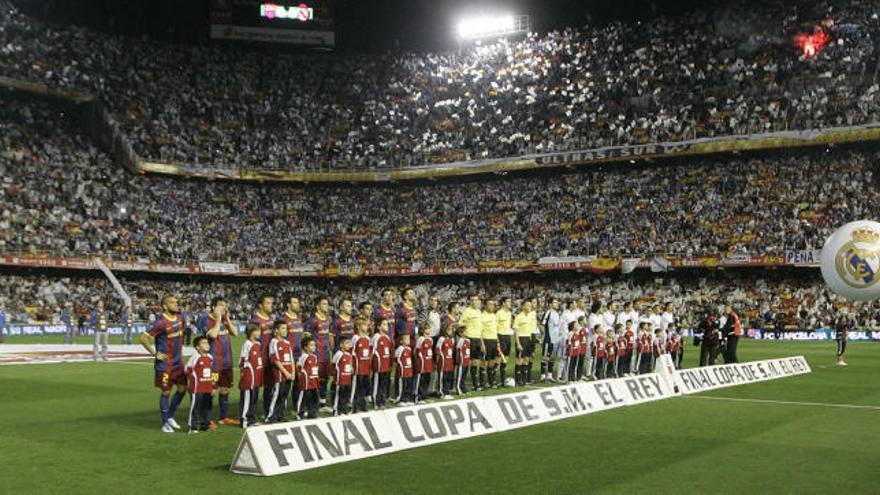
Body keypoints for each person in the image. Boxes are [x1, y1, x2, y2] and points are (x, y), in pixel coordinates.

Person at [139, 295, 187, 433]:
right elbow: (143, 338)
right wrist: (155, 353)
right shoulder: (160, 322)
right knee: (166, 392)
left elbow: (180, 336)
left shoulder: (180, 318)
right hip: (165, 364)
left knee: (183, 389)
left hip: (178, 362)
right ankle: (165, 422)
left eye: (176, 302)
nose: (176, 304)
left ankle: (170, 415)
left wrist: (180, 350)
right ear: (165, 306)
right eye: (172, 302)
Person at [202, 296, 239, 425]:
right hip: (214, 363)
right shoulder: (206, 319)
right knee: (211, 391)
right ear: (213, 307)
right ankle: (206, 419)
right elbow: (212, 335)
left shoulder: (225, 320)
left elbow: (235, 333)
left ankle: (223, 418)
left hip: (227, 361)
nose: (224, 307)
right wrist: (218, 319)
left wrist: (227, 319)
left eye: (225, 305)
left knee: (225, 390)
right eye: (221, 305)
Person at [305, 296, 333, 413]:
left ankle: (322, 404)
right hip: (316, 355)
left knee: (324, 380)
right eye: (324, 304)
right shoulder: (313, 320)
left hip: (326, 355)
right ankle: (309, 405)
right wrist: (309, 353)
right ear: (318, 306)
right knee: (312, 381)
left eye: (327, 304)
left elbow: (330, 337)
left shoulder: (328, 319)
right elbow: (306, 336)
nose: (327, 306)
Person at [250, 295, 275, 419]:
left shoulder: (271, 319)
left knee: (269, 389)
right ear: (261, 305)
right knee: (255, 389)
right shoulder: (256, 320)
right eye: (268, 303)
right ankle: (251, 416)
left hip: (270, 359)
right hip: (259, 359)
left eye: (271, 303)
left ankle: (268, 414)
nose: (270, 305)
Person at [185, 336, 214, 434]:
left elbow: (211, 372)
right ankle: (192, 427)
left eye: (207, 343)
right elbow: (187, 369)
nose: (207, 345)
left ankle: (205, 425)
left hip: (207, 387)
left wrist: (213, 386)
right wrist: (191, 381)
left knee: (207, 407)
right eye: (203, 343)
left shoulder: (210, 357)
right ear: (197, 347)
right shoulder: (195, 357)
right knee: (195, 408)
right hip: (197, 388)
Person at [267, 320, 294, 423]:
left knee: (284, 395)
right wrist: (285, 372)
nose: (285, 331)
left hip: (289, 375)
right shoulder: (274, 342)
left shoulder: (287, 343)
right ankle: (271, 416)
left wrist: (293, 373)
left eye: (286, 328)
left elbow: (291, 360)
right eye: (282, 328)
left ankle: (281, 415)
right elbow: (275, 359)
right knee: (277, 394)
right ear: (276, 330)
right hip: (280, 375)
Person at [238, 323, 264, 428]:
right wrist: (245, 373)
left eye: (259, 330)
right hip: (249, 377)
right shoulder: (247, 344)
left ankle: (252, 419)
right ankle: (245, 421)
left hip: (257, 377)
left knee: (254, 399)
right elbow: (242, 360)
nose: (259, 333)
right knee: (247, 399)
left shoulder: (258, 344)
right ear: (250, 332)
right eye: (257, 331)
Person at [460, 294, 483, 391]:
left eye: (476, 300)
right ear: (469, 301)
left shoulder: (479, 311)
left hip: (478, 339)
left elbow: (480, 329)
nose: (474, 302)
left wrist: (482, 342)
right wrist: (464, 336)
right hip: (470, 339)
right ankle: (462, 384)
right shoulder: (466, 311)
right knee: (466, 363)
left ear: (479, 301)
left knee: (475, 362)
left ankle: (475, 385)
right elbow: (461, 324)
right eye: (472, 300)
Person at [370, 317, 393, 409]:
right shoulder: (376, 337)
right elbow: (372, 351)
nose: (386, 326)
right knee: (377, 384)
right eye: (384, 324)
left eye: (387, 324)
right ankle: (376, 403)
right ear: (379, 327)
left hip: (386, 366)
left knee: (384, 384)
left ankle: (383, 401)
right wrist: (371, 366)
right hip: (378, 367)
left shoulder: (387, 337)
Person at [350, 317, 372, 413]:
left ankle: (362, 404)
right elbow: (351, 353)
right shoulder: (355, 338)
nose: (367, 327)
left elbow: (370, 353)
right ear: (358, 327)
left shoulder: (367, 338)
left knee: (364, 387)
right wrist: (351, 365)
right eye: (365, 325)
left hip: (366, 368)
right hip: (357, 368)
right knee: (356, 387)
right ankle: (354, 405)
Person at [296, 336, 319, 420]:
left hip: (314, 382)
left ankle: (312, 413)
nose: (314, 347)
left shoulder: (315, 357)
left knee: (313, 398)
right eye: (311, 345)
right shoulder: (303, 357)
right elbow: (299, 367)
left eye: (314, 345)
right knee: (303, 398)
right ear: (306, 347)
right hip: (306, 383)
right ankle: (300, 414)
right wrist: (302, 377)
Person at [513, 299, 536, 386]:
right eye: (527, 305)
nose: (529, 307)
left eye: (530, 306)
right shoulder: (518, 317)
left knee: (526, 359)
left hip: (528, 340)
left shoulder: (530, 317)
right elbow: (515, 331)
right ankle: (518, 380)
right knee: (520, 360)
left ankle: (524, 379)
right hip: (521, 339)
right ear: (523, 306)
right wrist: (518, 343)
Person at [332, 336, 354, 415]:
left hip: (347, 379)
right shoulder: (338, 354)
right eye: (347, 343)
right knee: (339, 394)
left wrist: (351, 368)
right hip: (340, 379)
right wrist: (335, 375)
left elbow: (350, 364)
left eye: (349, 343)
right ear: (341, 345)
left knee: (345, 395)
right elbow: (334, 364)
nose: (349, 345)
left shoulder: (349, 355)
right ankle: (336, 410)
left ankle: (344, 409)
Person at [541, 298, 562, 382]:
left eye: (557, 302)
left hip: (555, 339)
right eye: (555, 302)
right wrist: (544, 336)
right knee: (545, 357)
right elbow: (542, 325)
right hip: (548, 339)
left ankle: (549, 375)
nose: (557, 304)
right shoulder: (547, 313)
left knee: (552, 357)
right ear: (550, 304)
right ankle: (542, 376)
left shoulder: (557, 314)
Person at [481, 299, 499, 389]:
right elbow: (479, 331)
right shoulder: (482, 316)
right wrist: (482, 343)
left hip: (494, 341)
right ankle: (481, 383)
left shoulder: (494, 316)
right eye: (490, 304)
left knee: (492, 362)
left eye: (493, 304)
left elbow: (495, 330)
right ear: (485, 306)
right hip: (486, 340)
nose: (492, 306)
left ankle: (491, 382)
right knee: (484, 363)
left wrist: (498, 342)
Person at [496, 297, 514, 386]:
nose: (510, 303)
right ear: (503, 303)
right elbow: (495, 327)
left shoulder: (509, 313)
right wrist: (497, 339)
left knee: (505, 359)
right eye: (508, 301)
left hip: (507, 337)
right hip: (500, 336)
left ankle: (502, 380)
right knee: (499, 359)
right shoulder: (498, 313)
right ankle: (493, 380)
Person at [414, 326, 435, 402]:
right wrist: (419, 362)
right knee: (421, 380)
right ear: (423, 330)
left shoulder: (430, 339)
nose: (429, 330)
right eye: (427, 328)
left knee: (427, 379)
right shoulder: (421, 339)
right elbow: (417, 351)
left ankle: (424, 396)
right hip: (422, 364)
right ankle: (417, 396)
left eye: (429, 328)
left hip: (428, 363)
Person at [435, 323, 455, 399]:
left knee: (448, 377)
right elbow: (438, 349)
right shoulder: (442, 339)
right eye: (449, 329)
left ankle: (446, 391)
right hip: (443, 362)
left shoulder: (452, 339)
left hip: (449, 362)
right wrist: (437, 360)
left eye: (451, 329)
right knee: (442, 377)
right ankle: (441, 393)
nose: (451, 331)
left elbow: (452, 350)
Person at [395, 333, 415, 405]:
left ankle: (407, 399)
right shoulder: (400, 349)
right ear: (401, 341)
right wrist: (401, 367)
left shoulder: (409, 349)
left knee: (408, 386)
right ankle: (400, 399)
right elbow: (396, 358)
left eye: (409, 339)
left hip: (409, 371)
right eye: (406, 339)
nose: (408, 341)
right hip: (402, 372)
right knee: (402, 385)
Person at [454, 325, 471, 395]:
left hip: (467, 361)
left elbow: (468, 351)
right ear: (461, 333)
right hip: (462, 361)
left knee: (464, 375)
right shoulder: (460, 341)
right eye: (465, 331)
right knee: (460, 375)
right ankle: (458, 389)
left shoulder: (468, 340)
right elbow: (458, 351)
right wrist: (458, 360)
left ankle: (463, 387)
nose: (467, 332)